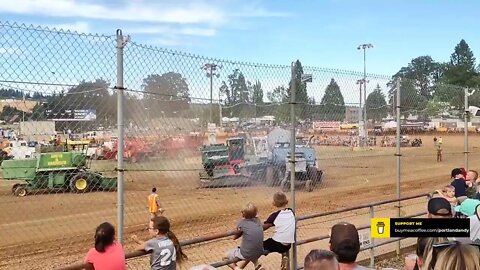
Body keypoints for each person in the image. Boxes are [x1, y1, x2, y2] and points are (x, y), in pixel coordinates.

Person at [224, 202, 264, 270]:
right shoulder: (258, 220)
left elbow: (235, 237)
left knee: (224, 257)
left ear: (243, 213)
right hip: (260, 251)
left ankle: (237, 268)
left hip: (246, 253)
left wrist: (236, 235)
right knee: (251, 249)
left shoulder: (242, 222)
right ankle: (257, 264)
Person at [263, 192, 295, 267]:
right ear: (286, 201)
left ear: (274, 203)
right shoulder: (291, 211)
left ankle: (257, 264)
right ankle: (284, 256)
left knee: (260, 245)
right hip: (288, 245)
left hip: (279, 244)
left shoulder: (274, 216)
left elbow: (263, 227)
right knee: (276, 239)